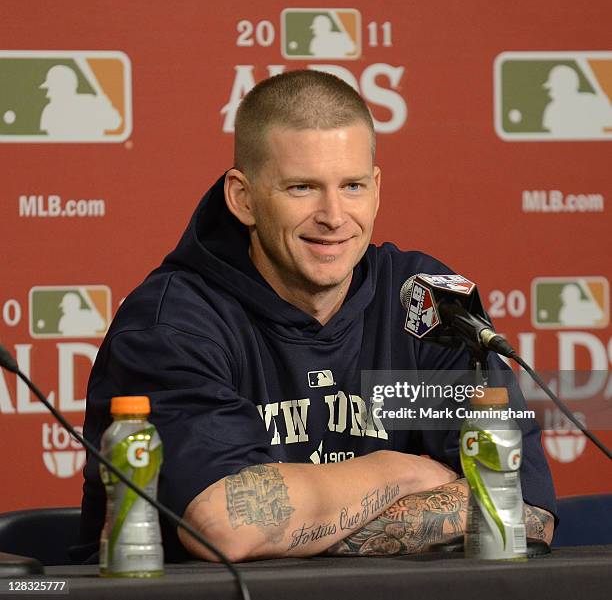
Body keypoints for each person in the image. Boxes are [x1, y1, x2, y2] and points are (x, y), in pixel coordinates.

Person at [74, 70, 556, 564]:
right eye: (302, 187)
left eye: (352, 185)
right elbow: (229, 529)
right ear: (243, 198)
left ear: (377, 187)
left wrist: (292, 525)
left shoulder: (429, 300)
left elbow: (521, 509)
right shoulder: (171, 323)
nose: (333, 215)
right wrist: (400, 472)